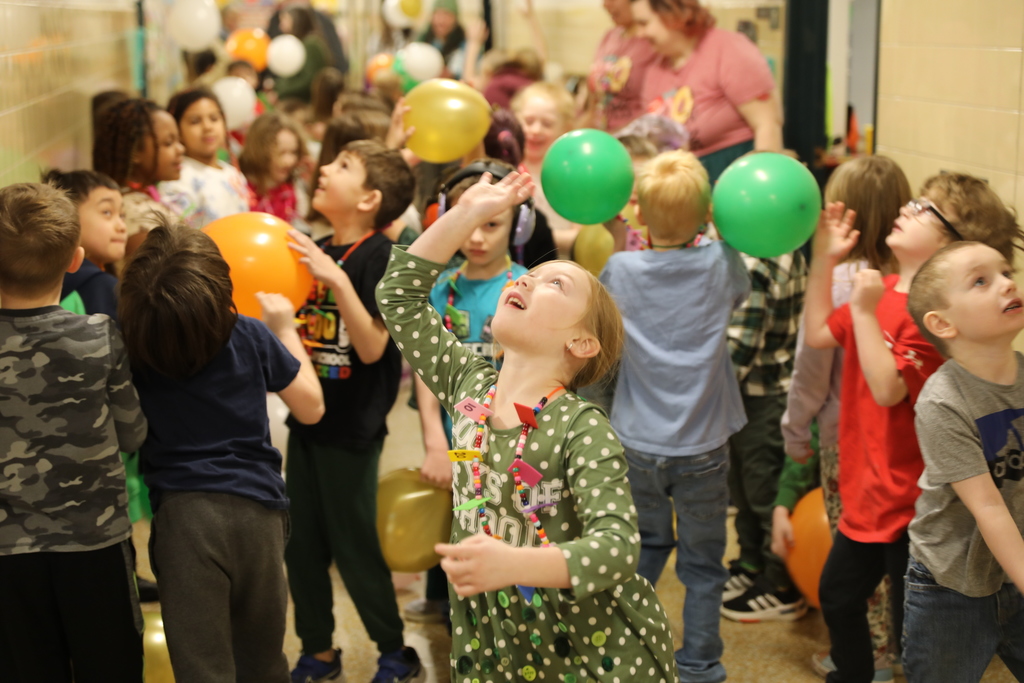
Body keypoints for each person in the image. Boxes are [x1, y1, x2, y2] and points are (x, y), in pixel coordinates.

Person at [378, 167, 679, 683]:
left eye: (554, 284)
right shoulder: (470, 387)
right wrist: (469, 213)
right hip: (494, 644)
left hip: (589, 651)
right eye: (528, 276)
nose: (523, 279)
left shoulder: (581, 428)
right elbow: (398, 296)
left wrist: (512, 565)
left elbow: (618, 548)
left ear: (581, 344)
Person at [801, 170, 1024, 683]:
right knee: (842, 596)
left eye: (924, 207)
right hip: (868, 491)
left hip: (910, 499)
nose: (908, 207)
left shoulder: (929, 321)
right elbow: (816, 333)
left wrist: (861, 310)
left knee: (915, 622)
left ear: (951, 242)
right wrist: (824, 261)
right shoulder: (880, 293)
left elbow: (887, 389)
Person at [118, 220, 324, 682]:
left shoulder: (132, 343)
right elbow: (311, 408)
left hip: (184, 523)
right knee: (264, 659)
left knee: (202, 667)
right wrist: (286, 330)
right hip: (260, 514)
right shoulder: (249, 335)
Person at [601, 150, 750, 683]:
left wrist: (618, 232)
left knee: (643, 546)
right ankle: (699, 663)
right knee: (704, 564)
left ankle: (620, 646)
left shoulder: (619, 268)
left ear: (639, 214)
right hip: (704, 447)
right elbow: (737, 290)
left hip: (636, 443)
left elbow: (605, 305)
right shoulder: (723, 263)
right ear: (710, 212)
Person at [281, 140, 423, 683]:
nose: (323, 169)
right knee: (301, 544)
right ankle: (317, 650)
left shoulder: (380, 258)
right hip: (307, 421)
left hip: (353, 429)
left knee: (354, 542)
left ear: (369, 199)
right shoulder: (312, 248)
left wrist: (335, 278)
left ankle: (393, 650)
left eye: (342, 167)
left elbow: (371, 348)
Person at [0, 183, 148, 682]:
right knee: (111, 665)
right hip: (95, 544)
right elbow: (132, 433)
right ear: (75, 259)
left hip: (7, 553)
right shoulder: (97, 336)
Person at [781, 156, 911, 679]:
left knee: (855, 553)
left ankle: (871, 654)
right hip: (898, 444)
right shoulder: (906, 283)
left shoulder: (840, 283)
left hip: (847, 439)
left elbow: (809, 372)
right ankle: (891, 646)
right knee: (889, 556)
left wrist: (794, 434)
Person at [405, 160, 532, 624]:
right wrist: (435, 442)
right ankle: (448, 600)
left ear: (518, 225)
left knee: (501, 520)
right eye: (468, 223)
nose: (477, 237)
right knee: (457, 510)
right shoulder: (442, 289)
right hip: (456, 438)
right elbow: (424, 372)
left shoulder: (525, 288)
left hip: (509, 441)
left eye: (492, 224)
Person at [904, 240, 1024, 682]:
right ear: (942, 323)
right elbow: (988, 507)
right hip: (950, 586)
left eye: (1006, 272)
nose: (1007, 284)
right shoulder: (942, 401)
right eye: (981, 280)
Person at [720, 246, 808, 622]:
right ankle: (751, 564)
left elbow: (742, 346)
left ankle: (780, 583)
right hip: (749, 393)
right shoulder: (777, 245)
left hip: (761, 394)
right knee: (742, 483)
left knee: (761, 488)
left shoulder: (757, 260)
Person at [630, 0, 782, 182]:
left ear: (672, 15)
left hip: (734, 172)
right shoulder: (655, 69)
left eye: (644, 23)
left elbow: (767, 124)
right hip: (683, 183)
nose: (639, 34)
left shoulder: (729, 48)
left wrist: (762, 181)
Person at [93, 98, 185, 262]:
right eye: (168, 143)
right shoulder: (136, 215)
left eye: (179, 140)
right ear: (136, 152)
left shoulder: (145, 195)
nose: (181, 149)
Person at [159, 88, 251, 229]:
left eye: (214, 118)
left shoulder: (233, 173)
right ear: (178, 131)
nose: (207, 127)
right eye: (195, 121)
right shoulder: (177, 179)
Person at [512, 82, 579, 258]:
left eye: (547, 124)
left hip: (558, 264)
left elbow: (581, 237)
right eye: (529, 121)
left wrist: (536, 237)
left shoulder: (572, 176)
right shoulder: (507, 169)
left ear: (566, 128)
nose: (535, 130)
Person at [583, 0, 659, 132]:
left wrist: (614, 137)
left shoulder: (652, 43)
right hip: (598, 132)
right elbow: (592, 103)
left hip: (632, 138)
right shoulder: (610, 36)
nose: (605, 5)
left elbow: (654, 111)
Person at [240, 112, 309, 226]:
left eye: (293, 152)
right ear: (260, 151)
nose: (289, 161)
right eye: (281, 153)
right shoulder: (240, 188)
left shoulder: (295, 191)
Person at [273, 6, 333, 104]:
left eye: (285, 20)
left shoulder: (311, 44)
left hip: (307, 102)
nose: (281, 25)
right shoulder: (302, 42)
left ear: (296, 20)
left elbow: (309, 79)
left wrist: (281, 90)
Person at [418, 0, 467, 78]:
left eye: (446, 15)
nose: (441, 21)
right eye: (437, 14)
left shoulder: (463, 43)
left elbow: (457, 73)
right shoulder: (423, 38)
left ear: (455, 18)